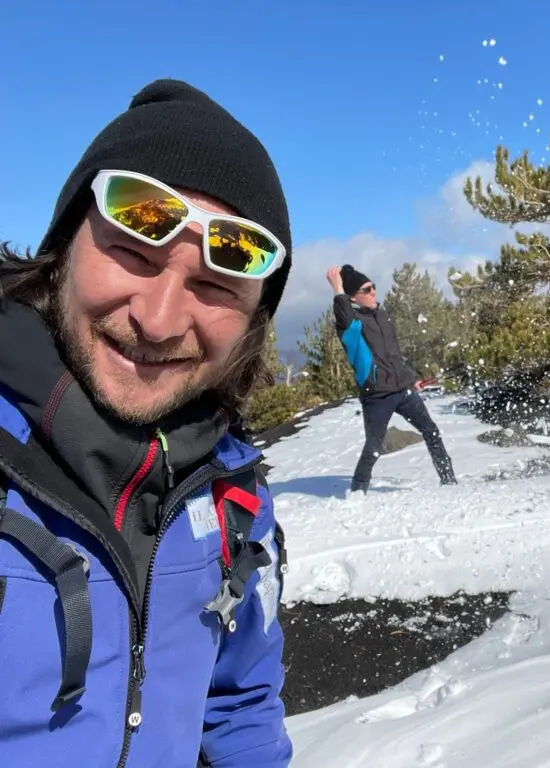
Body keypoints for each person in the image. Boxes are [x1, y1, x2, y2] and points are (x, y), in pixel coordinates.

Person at [0, 80, 291, 766]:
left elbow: (240, 702)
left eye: (216, 285)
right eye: (134, 252)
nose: (158, 322)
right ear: (65, 244)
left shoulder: (234, 497)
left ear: (254, 321)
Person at [327, 264, 456, 493]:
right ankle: (358, 492)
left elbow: (395, 355)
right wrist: (338, 290)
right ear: (353, 298)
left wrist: (411, 378)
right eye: (366, 290)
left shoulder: (383, 316)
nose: (373, 292)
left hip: (402, 390)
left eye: (372, 287)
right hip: (377, 396)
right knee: (374, 447)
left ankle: (449, 481)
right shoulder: (352, 325)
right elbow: (343, 314)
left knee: (431, 431)